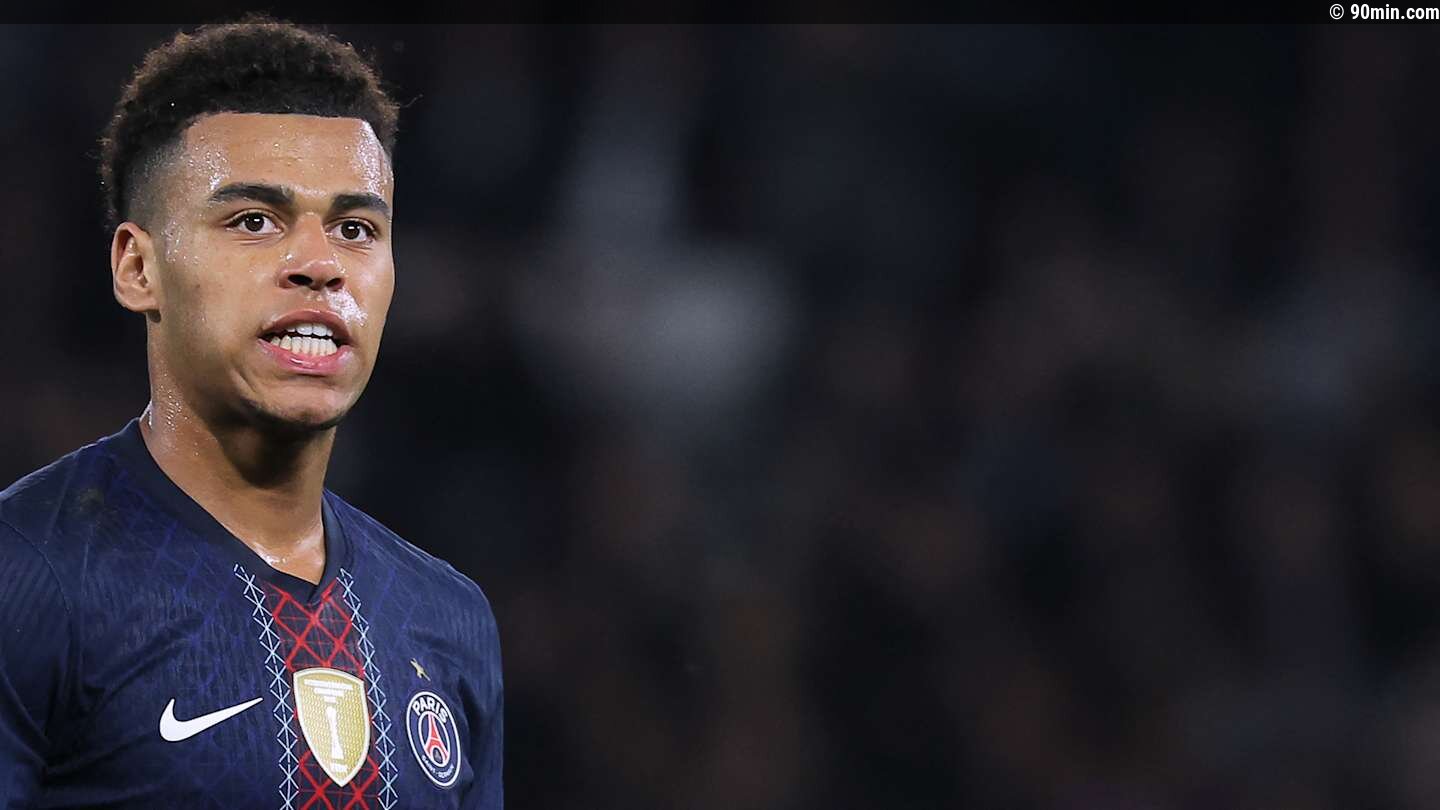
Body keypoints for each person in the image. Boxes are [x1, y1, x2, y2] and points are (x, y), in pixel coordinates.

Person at [0, 20, 502, 809]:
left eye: (355, 229)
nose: (320, 265)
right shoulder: (28, 576)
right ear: (138, 267)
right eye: (255, 221)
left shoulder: (450, 621)